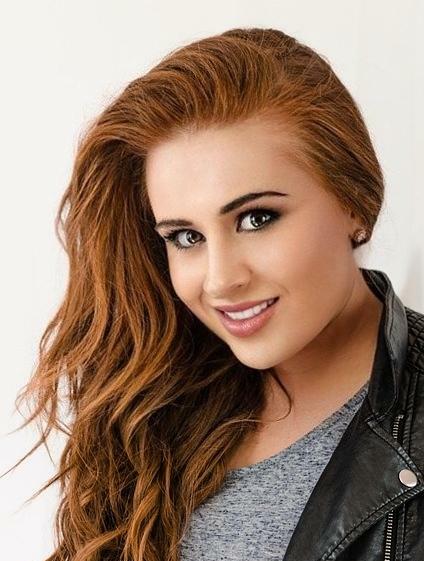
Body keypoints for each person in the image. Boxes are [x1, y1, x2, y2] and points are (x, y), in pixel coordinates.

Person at [5, 26, 424, 561]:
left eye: (256, 218)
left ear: (354, 202)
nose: (221, 280)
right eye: (186, 237)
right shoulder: (157, 412)